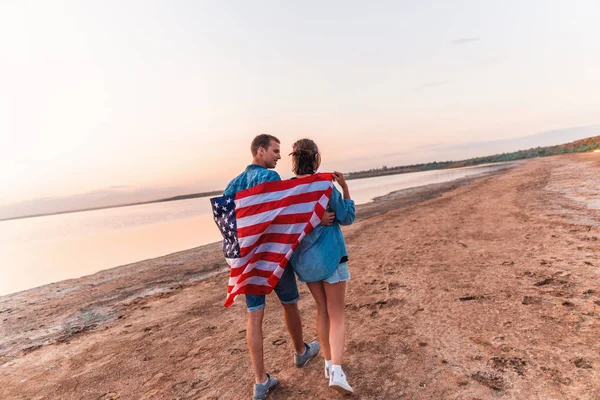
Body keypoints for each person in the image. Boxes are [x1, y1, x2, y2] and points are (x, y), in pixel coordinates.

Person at [223, 134, 333, 400]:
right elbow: (286, 215)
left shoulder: (231, 185)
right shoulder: (270, 179)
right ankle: (300, 352)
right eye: (275, 150)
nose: (279, 156)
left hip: (249, 261)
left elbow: (230, 228)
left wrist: (239, 260)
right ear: (260, 151)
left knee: (255, 315)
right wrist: (317, 218)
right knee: (289, 302)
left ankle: (260, 381)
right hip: (273, 257)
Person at [288, 138, 356, 394]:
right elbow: (347, 217)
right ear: (315, 158)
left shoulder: (288, 190)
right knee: (337, 314)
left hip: (306, 262)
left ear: (295, 160)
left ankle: (328, 363)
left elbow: (289, 224)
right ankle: (337, 370)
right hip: (330, 259)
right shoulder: (325, 186)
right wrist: (345, 187)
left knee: (321, 310)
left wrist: (313, 221)